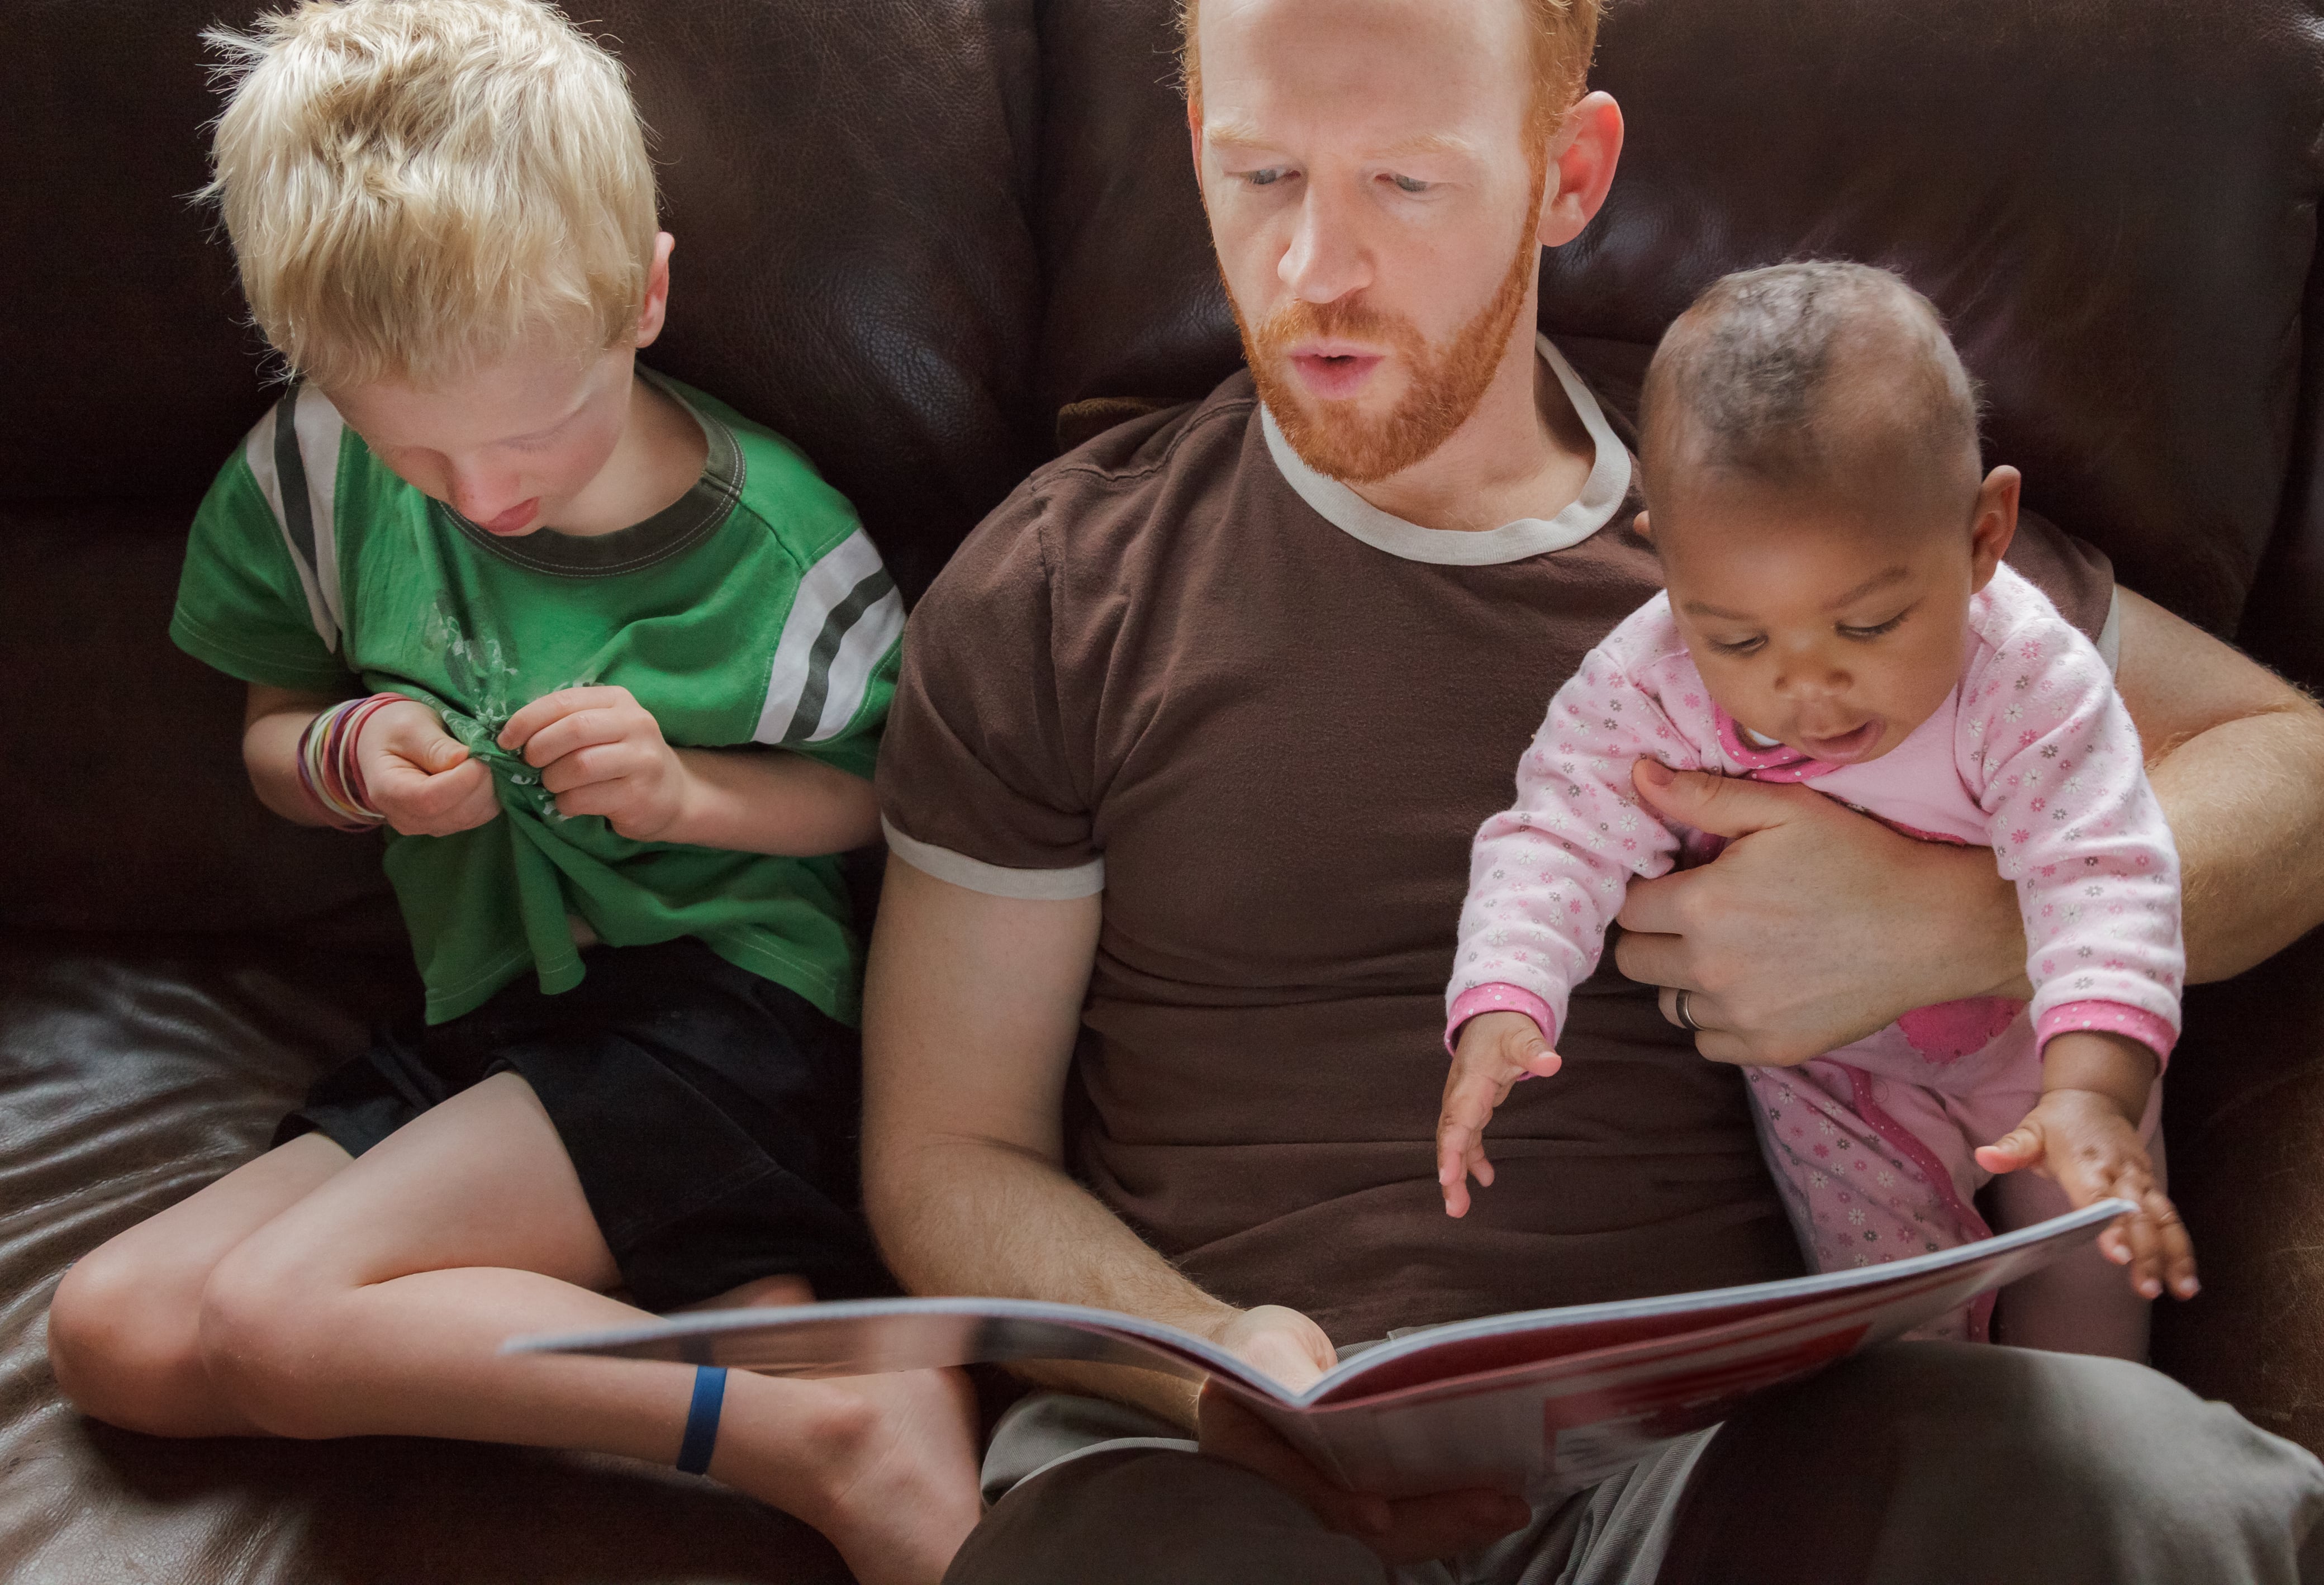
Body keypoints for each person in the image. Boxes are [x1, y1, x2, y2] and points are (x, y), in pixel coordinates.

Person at [860, 0, 2324, 1577]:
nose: (1315, 272)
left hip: (1731, 1478)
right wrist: (1205, 1359)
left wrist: (1966, 925)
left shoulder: (1794, 513)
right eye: (1263, 175)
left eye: (1405, 186)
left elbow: (2292, 763)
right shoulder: (1063, 586)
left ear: (1569, 174)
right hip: (1220, 1481)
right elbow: (947, 1151)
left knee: (2126, 1480)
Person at [41, 4, 979, 1581]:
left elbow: (877, 808)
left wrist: (685, 792)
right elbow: (277, 726)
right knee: (113, 1332)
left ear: (644, 295)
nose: (487, 499)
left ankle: (813, 1433)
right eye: (423, 456)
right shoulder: (313, 476)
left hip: (725, 1010)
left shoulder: (781, 550)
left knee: (276, 1319)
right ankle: (758, 1322)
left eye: (537, 430)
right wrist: (348, 763)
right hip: (488, 1019)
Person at [1439, 261, 2192, 1359]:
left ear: (1984, 536)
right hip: (1835, 1081)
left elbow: (2107, 878)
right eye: (1738, 639)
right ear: (1667, 559)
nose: (1805, 689)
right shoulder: (1648, 680)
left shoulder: (2030, 681)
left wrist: (2090, 1091)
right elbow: (1553, 833)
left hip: (2046, 1037)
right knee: (1896, 1331)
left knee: (2092, 1297)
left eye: (1869, 627)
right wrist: (1505, 997)